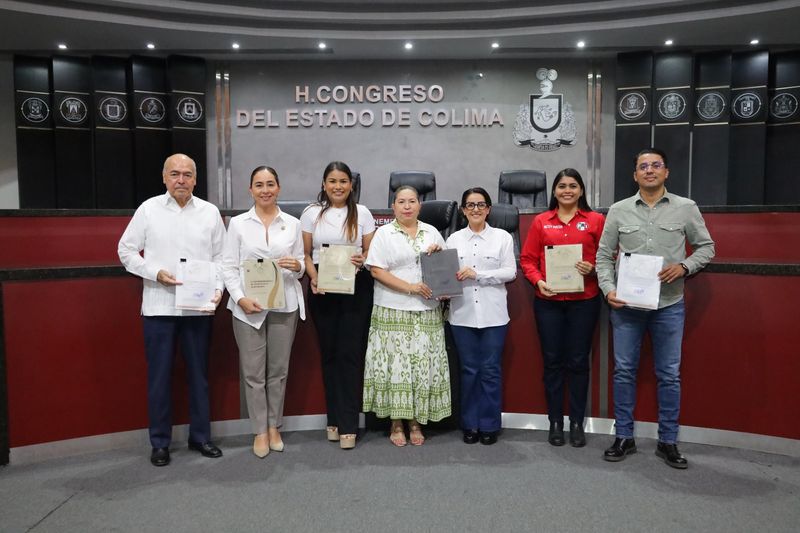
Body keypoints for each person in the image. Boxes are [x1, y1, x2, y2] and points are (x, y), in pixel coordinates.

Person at [597, 148, 714, 469]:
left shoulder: (685, 208)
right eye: (642, 167)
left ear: (666, 172)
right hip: (626, 307)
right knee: (623, 372)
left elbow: (707, 248)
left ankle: (668, 441)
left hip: (669, 305)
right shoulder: (619, 211)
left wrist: (685, 267)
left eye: (655, 165)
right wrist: (608, 290)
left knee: (668, 375)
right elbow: (603, 256)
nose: (649, 170)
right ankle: (623, 436)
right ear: (635, 175)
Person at [118, 153, 225, 467]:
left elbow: (222, 258)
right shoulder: (149, 209)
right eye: (175, 174)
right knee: (160, 378)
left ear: (195, 179)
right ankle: (160, 443)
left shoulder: (209, 212)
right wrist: (154, 272)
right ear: (164, 178)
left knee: (199, 377)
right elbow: (125, 250)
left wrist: (218, 288)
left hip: (198, 308)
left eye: (187, 174)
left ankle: (201, 437)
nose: (181, 180)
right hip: (159, 307)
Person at [222, 166, 305, 458]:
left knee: (278, 372)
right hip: (248, 309)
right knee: (253, 373)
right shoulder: (238, 224)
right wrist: (241, 298)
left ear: (279, 188)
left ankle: (274, 426)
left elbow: (301, 262)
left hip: (284, 305)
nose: (265, 190)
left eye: (270, 184)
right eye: (259, 185)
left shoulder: (292, 223)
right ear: (250, 190)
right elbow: (228, 266)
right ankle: (259, 430)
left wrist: (299, 267)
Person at [520, 169, 605, 447]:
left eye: (572, 185)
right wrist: (538, 281)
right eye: (561, 186)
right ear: (554, 191)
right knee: (553, 362)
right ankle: (555, 421)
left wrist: (593, 269)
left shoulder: (596, 220)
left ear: (581, 190)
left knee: (579, 362)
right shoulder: (541, 222)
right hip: (549, 303)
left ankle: (577, 423)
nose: (567, 190)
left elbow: (608, 258)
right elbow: (528, 260)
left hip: (585, 301)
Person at [363, 185, 452, 446]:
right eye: (401, 201)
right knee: (396, 369)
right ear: (393, 206)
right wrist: (411, 288)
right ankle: (396, 423)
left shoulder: (432, 232)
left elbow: (445, 268)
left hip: (425, 312)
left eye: (412, 201)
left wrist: (439, 269)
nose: (407, 206)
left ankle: (415, 421)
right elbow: (377, 271)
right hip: (392, 309)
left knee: (420, 367)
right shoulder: (384, 234)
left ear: (419, 205)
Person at [301, 161, 375, 450]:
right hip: (323, 288)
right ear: (323, 184)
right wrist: (315, 278)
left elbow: (369, 249)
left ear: (351, 185)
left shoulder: (363, 213)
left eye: (343, 181)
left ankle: (348, 424)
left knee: (349, 355)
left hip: (355, 288)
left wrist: (362, 259)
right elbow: (305, 254)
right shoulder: (311, 214)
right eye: (332, 181)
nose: (338, 186)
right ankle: (333, 420)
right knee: (329, 355)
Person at [446, 188, 516, 445]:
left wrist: (479, 274)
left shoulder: (502, 237)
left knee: (490, 371)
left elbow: (511, 272)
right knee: (468, 370)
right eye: (470, 205)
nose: (475, 209)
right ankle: (470, 424)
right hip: (462, 315)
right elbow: (444, 273)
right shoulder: (453, 239)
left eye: (481, 204)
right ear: (463, 210)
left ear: (488, 209)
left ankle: (489, 425)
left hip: (494, 316)